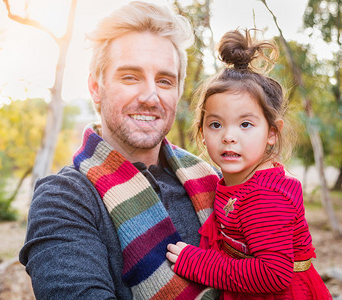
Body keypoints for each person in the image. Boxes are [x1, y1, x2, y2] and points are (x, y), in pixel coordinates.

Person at [19, 1, 222, 299]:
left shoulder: (214, 181)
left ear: (177, 92)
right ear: (95, 87)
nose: (151, 96)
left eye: (165, 80)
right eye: (130, 76)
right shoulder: (64, 199)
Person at [166, 29, 332, 299]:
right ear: (202, 133)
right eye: (216, 124)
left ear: (271, 133)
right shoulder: (241, 181)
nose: (229, 136)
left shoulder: (263, 196)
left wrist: (197, 263)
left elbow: (273, 275)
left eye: (245, 124)